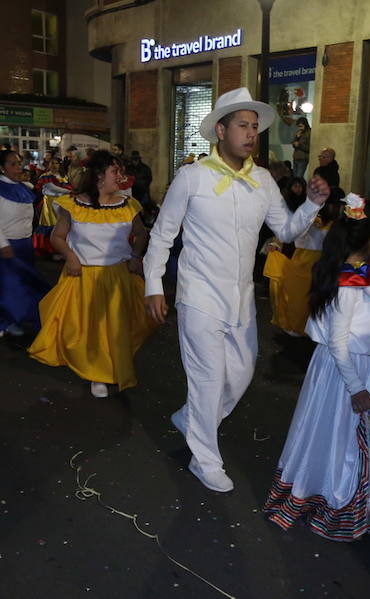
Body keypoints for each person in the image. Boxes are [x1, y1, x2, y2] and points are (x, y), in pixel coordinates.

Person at [144, 87, 331, 493]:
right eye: (243, 126)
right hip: (198, 296)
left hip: (243, 298)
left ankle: (192, 418)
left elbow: (285, 230)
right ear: (221, 130)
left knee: (241, 377)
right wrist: (153, 285)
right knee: (209, 380)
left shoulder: (262, 180)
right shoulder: (192, 176)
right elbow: (162, 235)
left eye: (254, 127)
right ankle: (205, 459)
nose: (251, 134)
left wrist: (312, 204)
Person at [264, 194, 370, 540]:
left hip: (343, 367)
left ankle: (323, 485)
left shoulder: (352, 273)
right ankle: (335, 496)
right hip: (346, 370)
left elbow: (368, 291)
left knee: (327, 431)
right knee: (342, 436)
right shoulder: (348, 285)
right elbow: (339, 342)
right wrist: (357, 388)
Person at [29, 150, 155, 398]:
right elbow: (57, 237)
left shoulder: (127, 204)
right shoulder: (74, 205)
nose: (120, 176)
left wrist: (135, 256)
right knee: (89, 329)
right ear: (99, 175)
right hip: (84, 277)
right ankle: (96, 374)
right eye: (115, 171)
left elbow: (141, 234)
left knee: (117, 328)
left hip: (118, 277)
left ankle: (110, 367)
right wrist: (71, 257)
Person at [0, 150, 50, 338]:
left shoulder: (24, 188)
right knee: (3, 287)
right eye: (12, 164)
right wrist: (2, 243)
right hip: (2, 246)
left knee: (21, 286)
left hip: (22, 245)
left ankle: (14, 318)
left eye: (19, 163)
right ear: (1, 168)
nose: (18, 167)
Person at [264, 192, 342, 337]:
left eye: (337, 206)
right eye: (333, 205)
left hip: (323, 265)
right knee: (298, 298)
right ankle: (296, 326)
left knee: (316, 300)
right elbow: (289, 230)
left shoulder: (338, 225)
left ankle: (312, 329)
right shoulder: (310, 220)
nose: (335, 209)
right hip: (302, 263)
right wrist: (276, 243)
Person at [33, 157, 72, 257]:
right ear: (48, 165)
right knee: (50, 223)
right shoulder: (45, 176)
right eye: (52, 163)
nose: (54, 165)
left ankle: (60, 250)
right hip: (50, 204)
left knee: (61, 224)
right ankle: (49, 249)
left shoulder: (64, 177)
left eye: (56, 163)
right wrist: (68, 191)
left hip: (62, 204)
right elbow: (52, 188)